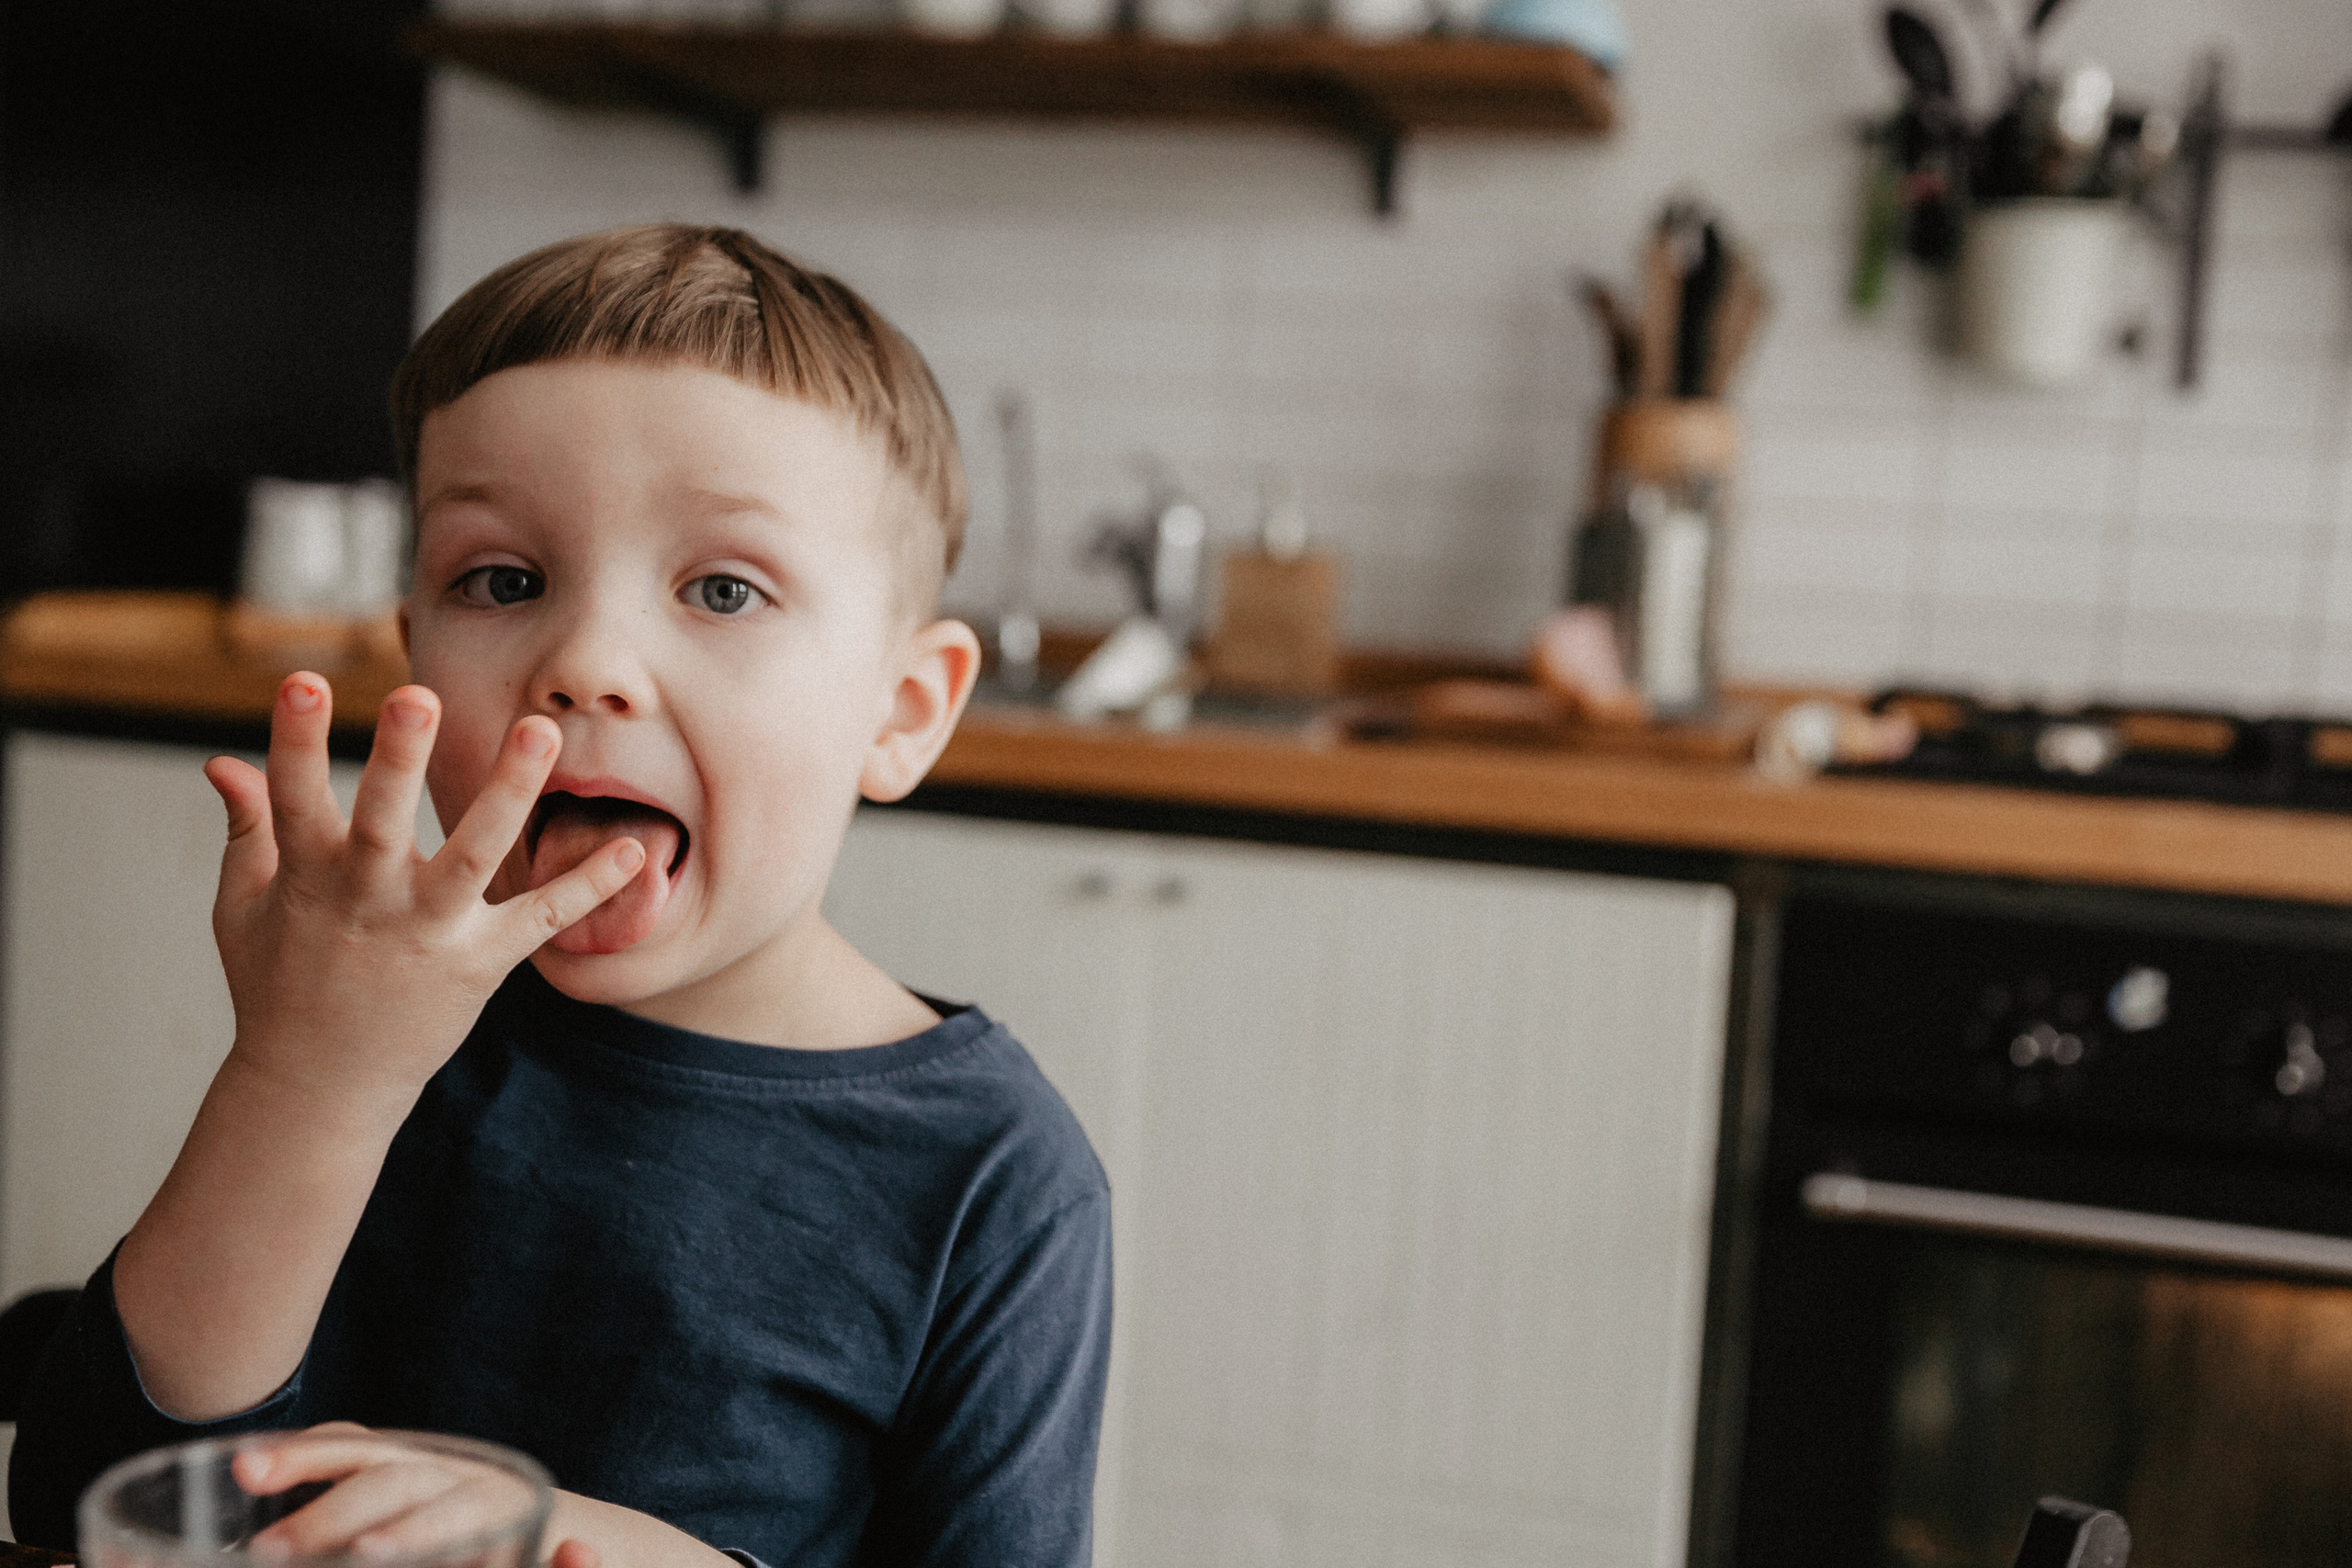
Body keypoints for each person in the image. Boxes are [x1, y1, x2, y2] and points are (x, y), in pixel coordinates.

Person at [9, 225, 1112, 1568]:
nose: (585, 661)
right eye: (505, 581)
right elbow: (93, 1498)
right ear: (411, 651)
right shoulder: (370, 1021)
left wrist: (605, 1548)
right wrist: (304, 1076)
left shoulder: (993, 1178)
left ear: (904, 710)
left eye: (722, 588)